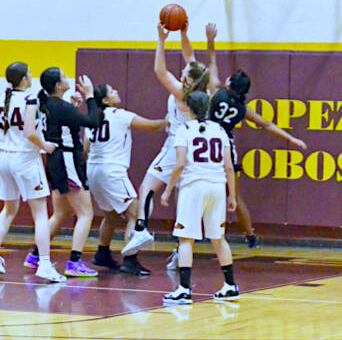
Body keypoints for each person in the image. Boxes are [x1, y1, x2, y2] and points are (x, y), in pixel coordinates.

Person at [165, 70, 308, 269]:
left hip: (204, 141)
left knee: (190, 192)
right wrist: (291, 138)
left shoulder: (216, 93)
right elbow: (266, 124)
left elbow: (212, 64)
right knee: (234, 196)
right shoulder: (241, 108)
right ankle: (250, 236)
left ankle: (184, 242)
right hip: (224, 148)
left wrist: (211, 42)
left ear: (230, 82)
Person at [121, 21, 218, 273]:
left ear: (190, 81)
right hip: (194, 148)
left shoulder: (181, 93)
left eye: (186, 74)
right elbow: (189, 56)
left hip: (176, 145)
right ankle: (180, 251)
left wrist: (161, 41)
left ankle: (141, 228)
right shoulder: (202, 87)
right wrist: (185, 33)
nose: (182, 73)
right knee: (182, 201)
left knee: (147, 187)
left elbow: (160, 71)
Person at [0, 62, 66, 282]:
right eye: (29, 73)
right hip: (26, 159)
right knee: (40, 213)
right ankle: (45, 265)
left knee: (9, 209)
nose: (31, 76)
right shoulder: (31, 100)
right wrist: (44, 145)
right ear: (23, 79)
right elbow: (30, 132)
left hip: (3, 159)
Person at [160, 91, 239, 304]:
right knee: (218, 238)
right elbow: (229, 167)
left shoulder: (184, 130)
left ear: (187, 107)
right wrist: (233, 194)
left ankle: (184, 289)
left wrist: (168, 190)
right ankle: (230, 285)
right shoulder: (220, 130)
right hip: (217, 187)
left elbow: (180, 164)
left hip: (194, 186)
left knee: (186, 238)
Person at [23, 68, 100, 278]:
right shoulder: (60, 106)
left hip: (55, 161)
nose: (68, 79)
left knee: (61, 213)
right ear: (58, 86)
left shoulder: (49, 104)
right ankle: (74, 262)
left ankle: (36, 256)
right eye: (64, 77)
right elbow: (93, 122)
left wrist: (74, 106)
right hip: (67, 161)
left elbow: (64, 121)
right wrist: (90, 96)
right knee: (86, 214)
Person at [85, 84, 167, 271]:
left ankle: (102, 254)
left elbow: (85, 149)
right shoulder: (119, 115)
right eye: (112, 91)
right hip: (112, 171)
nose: (117, 92)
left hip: (93, 170)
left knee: (111, 215)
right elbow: (150, 125)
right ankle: (130, 260)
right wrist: (166, 121)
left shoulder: (92, 118)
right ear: (106, 100)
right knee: (135, 213)